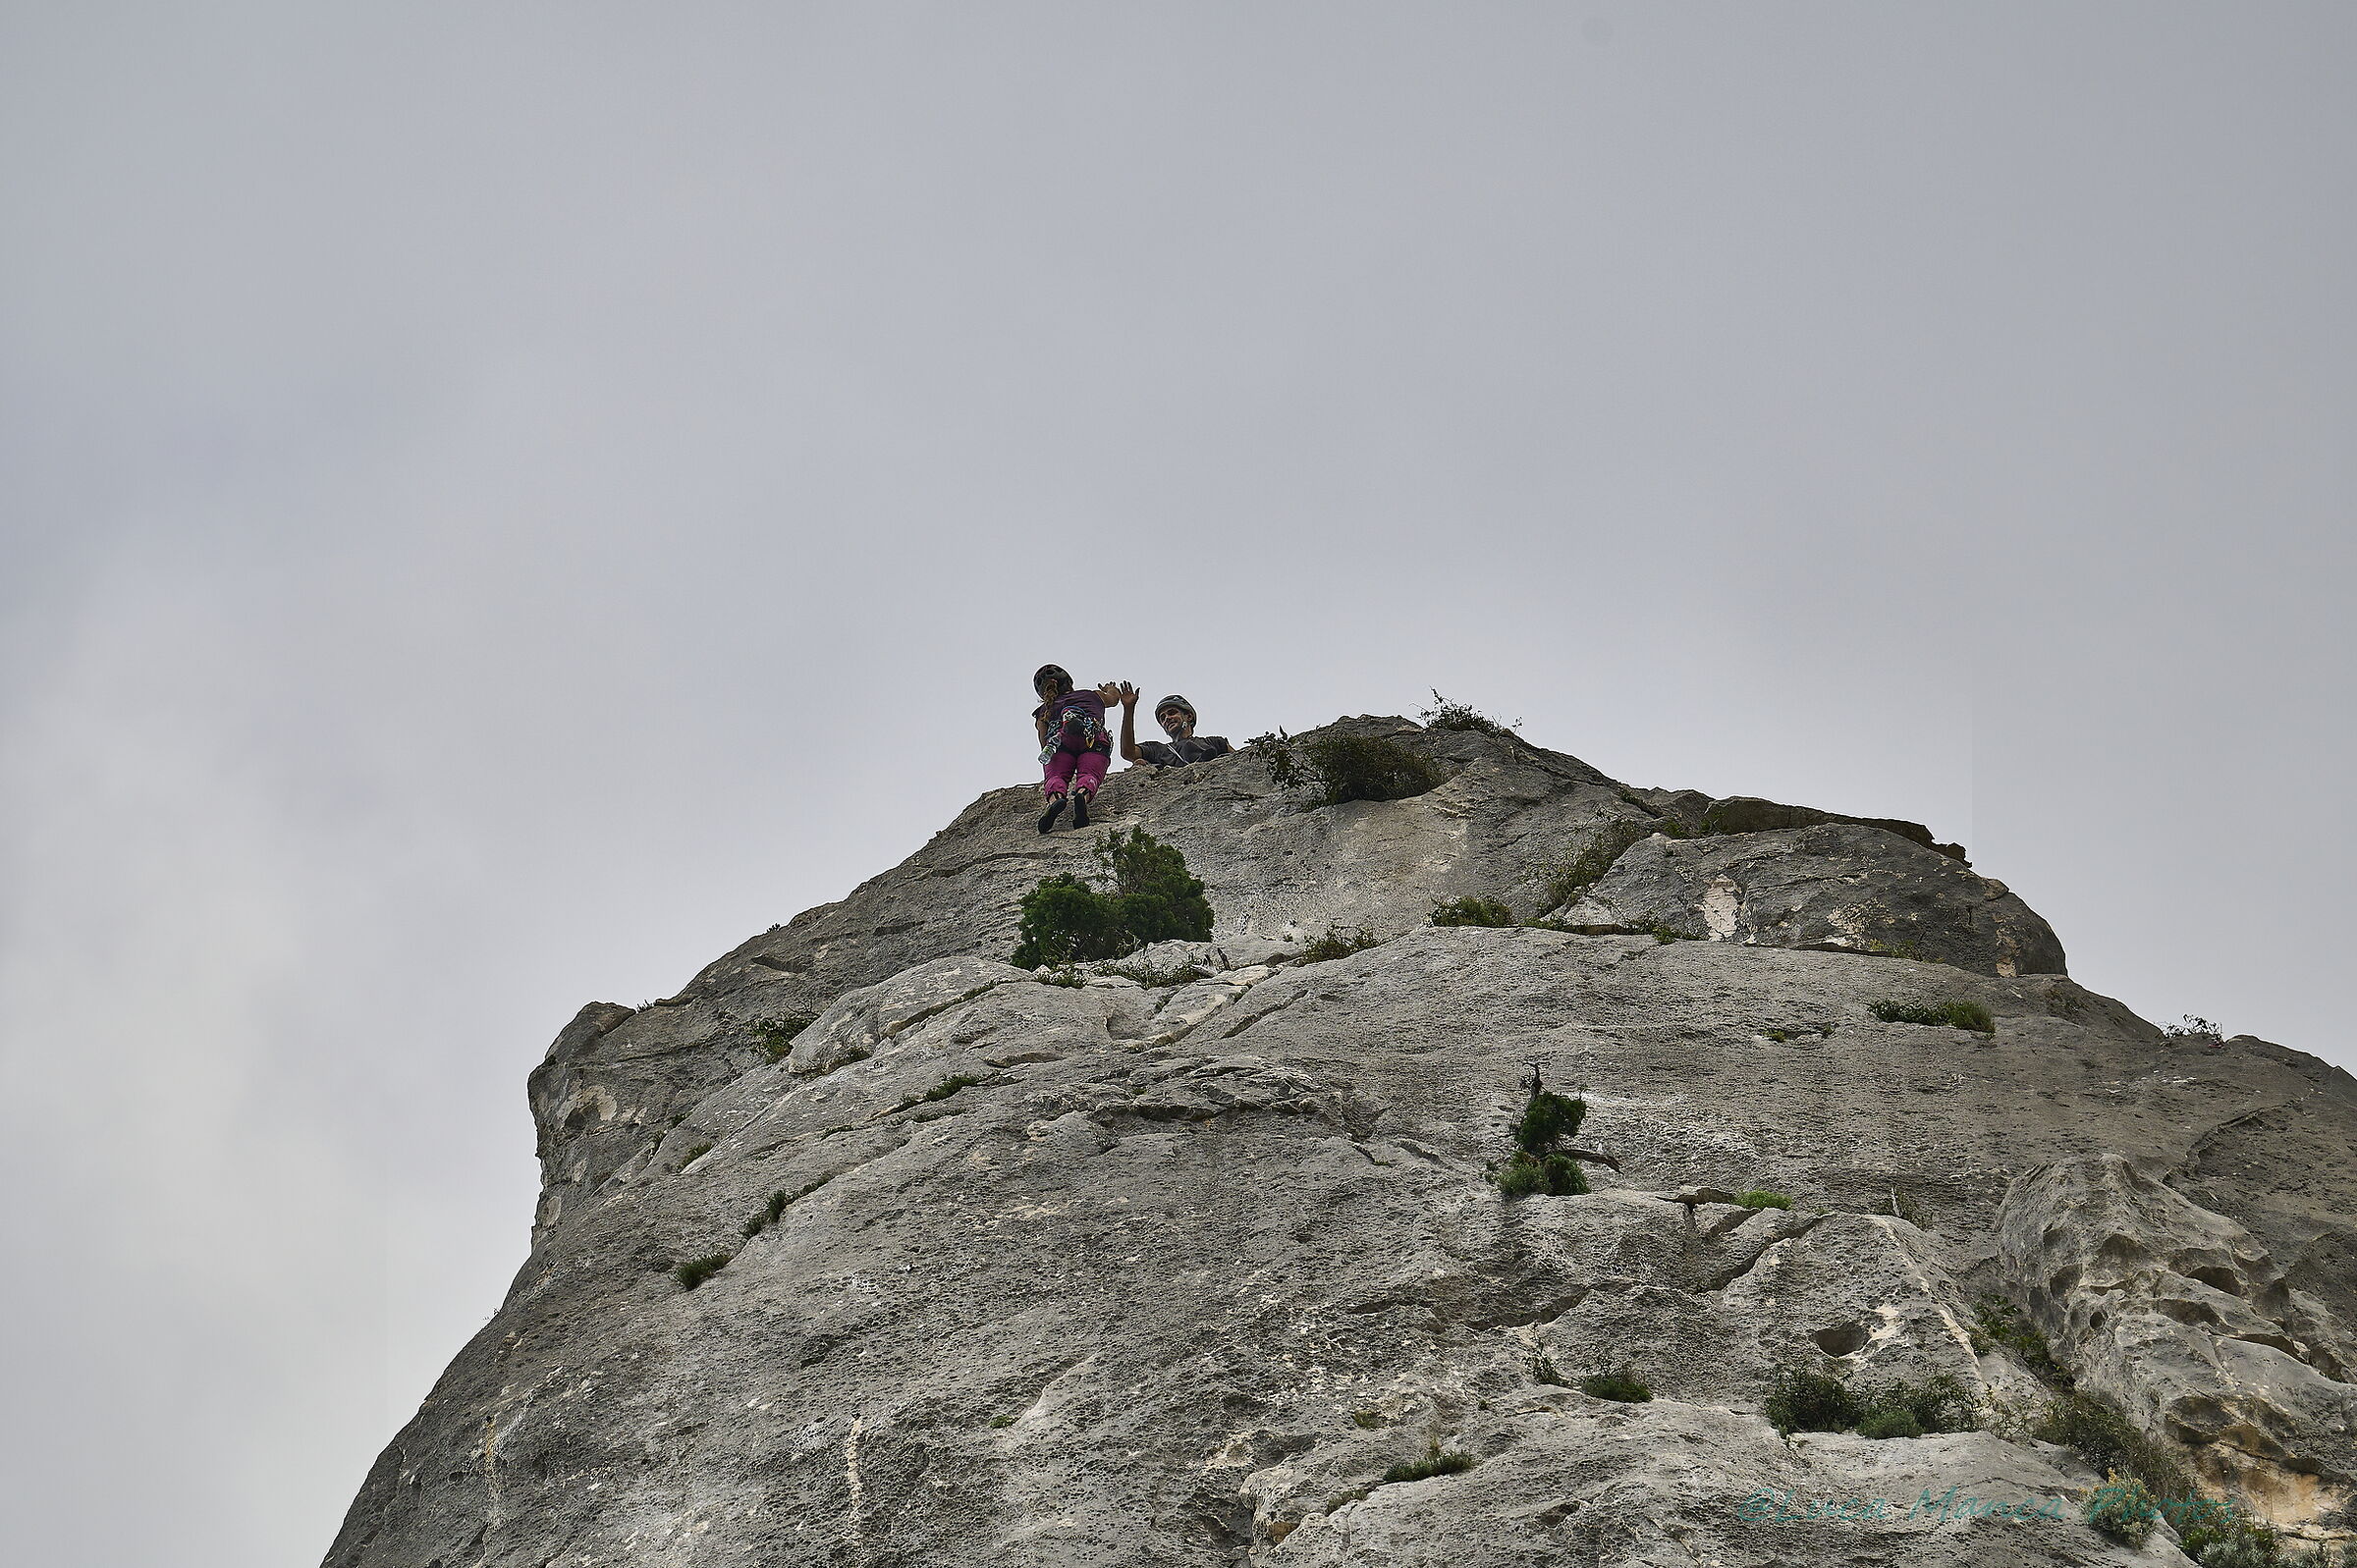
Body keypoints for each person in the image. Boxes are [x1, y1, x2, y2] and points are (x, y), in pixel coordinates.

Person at [1031, 664, 1121, 832]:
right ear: (1070, 682)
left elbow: (1043, 740)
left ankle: (1055, 800)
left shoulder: (1044, 710)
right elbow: (1114, 699)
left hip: (1059, 743)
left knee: (1056, 776)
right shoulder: (1092, 695)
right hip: (1093, 739)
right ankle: (1082, 795)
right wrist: (1111, 688)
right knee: (1089, 773)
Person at [1119, 689, 1233, 769]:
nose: (1167, 718)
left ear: (1189, 716)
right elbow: (1128, 752)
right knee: (1139, 763)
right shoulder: (1157, 749)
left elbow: (1242, 759)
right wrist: (1129, 709)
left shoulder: (1215, 742)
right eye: (1162, 718)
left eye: (1172, 713)